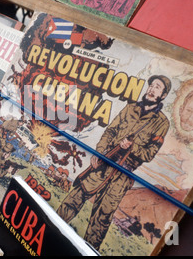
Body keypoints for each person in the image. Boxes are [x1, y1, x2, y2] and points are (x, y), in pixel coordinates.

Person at [56, 75, 171, 250]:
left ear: (163, 95)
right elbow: (110, 131)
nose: (151, 89)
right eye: (151, 85)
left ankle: (86, 251)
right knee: (76, 195)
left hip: (123, 174)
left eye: (157, 87)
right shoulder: (130, 108)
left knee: (102, 218)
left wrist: (132, 148)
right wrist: (99, 152)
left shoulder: (161, 123)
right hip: (105, 161)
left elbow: (149, 154)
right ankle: (51, 228)